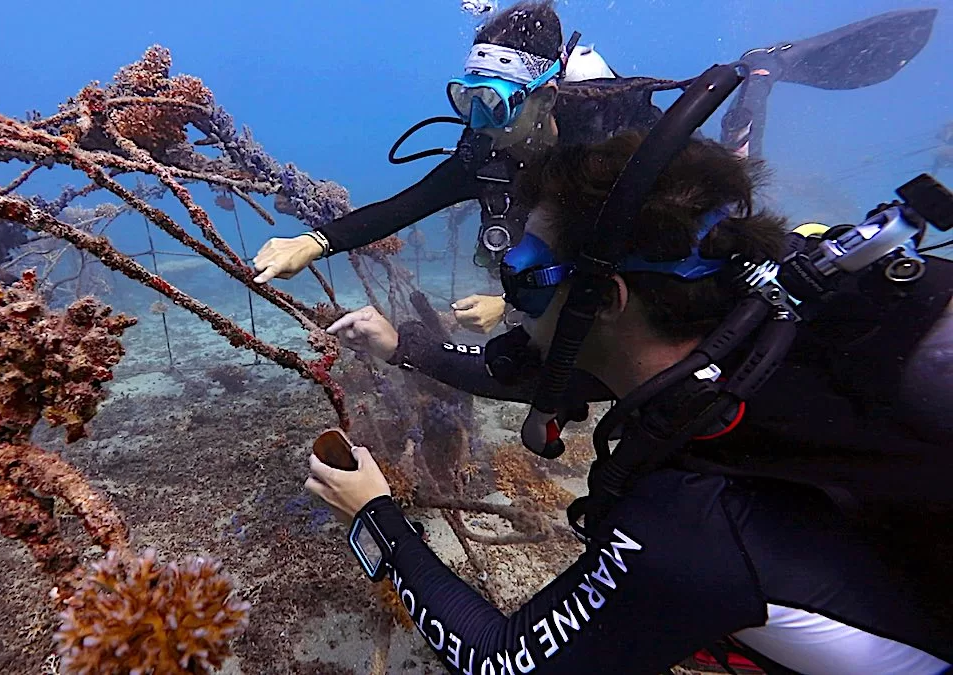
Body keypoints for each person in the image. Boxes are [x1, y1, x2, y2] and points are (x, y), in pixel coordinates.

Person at [305, 130, 953, 673]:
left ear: (609, 300)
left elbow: (498, 660)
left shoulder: (692, 523)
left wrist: (376, 516)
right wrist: (402, 345)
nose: (510, 304)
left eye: (523, 279)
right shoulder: (762, 331)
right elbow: (543, 372)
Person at [254, 1, 660, 335]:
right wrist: (312, 243)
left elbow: (625, 251)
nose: (478, 121)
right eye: (468, 100)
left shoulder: (602, 148)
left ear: (545, 98)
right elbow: (406, 206)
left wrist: (509, 304)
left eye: (493, 103)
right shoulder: (485, 154)